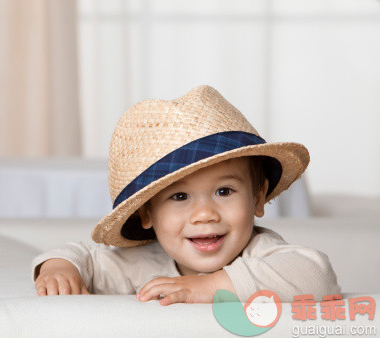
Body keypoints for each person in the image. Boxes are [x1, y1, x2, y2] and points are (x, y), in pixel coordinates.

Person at [32, 85, 340, 306]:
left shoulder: (261, 252)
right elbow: (84, 257)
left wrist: (206, 287)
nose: (205, 214)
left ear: (257, 198)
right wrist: (59, 268)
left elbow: (317, 275)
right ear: (146, 213)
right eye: (180, 197)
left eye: (224, 191)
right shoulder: (140, 264)